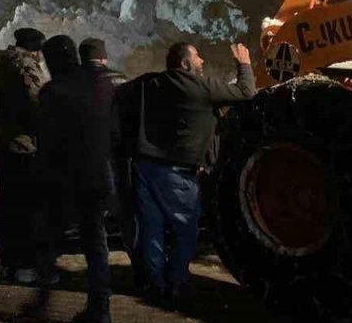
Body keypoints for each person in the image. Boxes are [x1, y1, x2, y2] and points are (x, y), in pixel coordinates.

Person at [122, 42, 255, 307]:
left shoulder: (149, 84)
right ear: (184, 63)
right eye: (197, 56)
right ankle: (177, 284)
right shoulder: (200, 87)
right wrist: (245, 63)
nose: (202, 61)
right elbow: (246, 92)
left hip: (146, 169)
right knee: (184, 231)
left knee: (152, 230)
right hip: (178, 174)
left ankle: (155, 284)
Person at [36, 35, 119, 323]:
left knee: (48, 241)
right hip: (98, 177)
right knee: (96, 244)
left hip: (62, 180)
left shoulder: (52, 91)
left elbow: (45, 142)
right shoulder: (100, 85)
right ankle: (101, 309)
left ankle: (42, 302)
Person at [0, 27, 48, 284]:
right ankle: (25, 266)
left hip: (0, 145)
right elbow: (38, 104)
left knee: (6, 205)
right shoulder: (25, 66)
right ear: (35, 49)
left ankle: (8, 263)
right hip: (23, 146)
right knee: (26, 206)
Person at [80, 37, 141, 292]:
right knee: (128, 215)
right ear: (104, 57)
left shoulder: (72, 81)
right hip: (118, 156)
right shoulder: (120, 79)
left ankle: (100, 277)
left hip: (86, 158)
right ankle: (141, 270)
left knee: (92, 220)